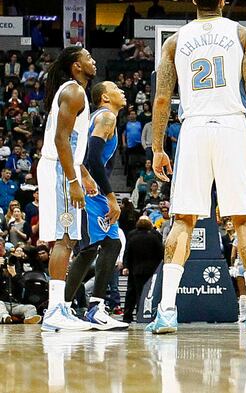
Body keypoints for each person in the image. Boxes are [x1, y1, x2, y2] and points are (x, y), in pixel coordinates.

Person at [145, 0, 246, 335]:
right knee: (245, 220)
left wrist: (158, 147)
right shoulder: (242, 35)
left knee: (183, 221)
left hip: (192, 128)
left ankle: (167, 311)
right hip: (233, 127)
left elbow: (162, 99)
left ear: (194, 0)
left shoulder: (174, 41)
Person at [39, 46, 99, 332]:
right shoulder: (74, 92)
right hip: (59, 170)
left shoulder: (74, 92)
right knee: (64, 238)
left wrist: (83, 174)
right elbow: (61, 140)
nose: (93, 61)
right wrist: (73, 180)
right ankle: (54, 310)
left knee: (68, 239)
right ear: (76, 66)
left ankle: (58, 307)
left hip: (64, 168)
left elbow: (70, 141)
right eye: (88, 57)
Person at [62, 81, 128, 330]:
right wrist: (111, 197)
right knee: (96, 247)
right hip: (94, 193)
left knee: (104, 245)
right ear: (104, 98)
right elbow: (91, 158)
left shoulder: (101, 117)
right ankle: (80, 307)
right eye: (115, 88)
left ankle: (80, 307)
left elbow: (84, 155)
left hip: (92, 187)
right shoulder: (107, 117)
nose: (121, 90)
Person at [122, 216, 163, 324]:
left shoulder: (132, 235)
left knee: (132, 293)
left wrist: (126, 266)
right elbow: (161, 253)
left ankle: (128, 316)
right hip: (152, 269)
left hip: (135, 269)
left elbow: (128, 252)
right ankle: (144, 315)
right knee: (148, 293)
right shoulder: (155, 236)